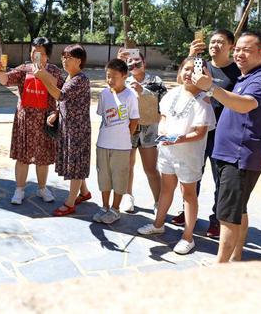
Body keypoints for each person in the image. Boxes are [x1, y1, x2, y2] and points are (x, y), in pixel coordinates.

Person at [192, 31, 261, 263]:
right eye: (238, 49)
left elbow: (245, 105)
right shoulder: (244, 78)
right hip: (229, 155)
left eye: (246, 50)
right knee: (238, 210)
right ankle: (236, 258)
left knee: (227, 216)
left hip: (238, 157)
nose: (239, 54)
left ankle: (221, 268)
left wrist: (212, 88)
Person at [138, 57, 216, 254]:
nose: (189, 73)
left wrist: (177, 139)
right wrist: (164, 132)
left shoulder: (204, 100)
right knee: (166, 189)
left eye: (194, 70)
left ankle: (188, 237)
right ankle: (158, 224)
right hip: (167, 151)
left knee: (188, 194)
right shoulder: (172, 94)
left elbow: (199, 132)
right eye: (186, 69)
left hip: (188, 155)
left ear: (204, 75)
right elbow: (163, 118)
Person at [171, 29, 241, 238]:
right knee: (192, 174)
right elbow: (181, 83)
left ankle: (217, 220)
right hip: (198, 130)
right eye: (212, 42)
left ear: (231, 46)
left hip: (223, 133)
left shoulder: (236, 71)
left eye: (220, 42)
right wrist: (191, 56)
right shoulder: (201, 65)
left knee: (221, 179)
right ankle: (188, 211)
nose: (214, 45)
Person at [0, 37, 64, 205]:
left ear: (47, 55)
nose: (35, 55)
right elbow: (5, 80)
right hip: (25, 120)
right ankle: (19, 189)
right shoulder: (24, 69)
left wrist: (42, 74)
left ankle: (42, 188)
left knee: (43, 157)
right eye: (33, 51)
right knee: (23, 157)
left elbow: (60, 90)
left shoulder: (53, 70)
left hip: (45, 120)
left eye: (39, 52)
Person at [34, 44, 91, 216]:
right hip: (69, 127)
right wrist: (57, 112)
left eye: (69, 57)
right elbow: (65, 100)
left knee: (76, 165)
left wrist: (43, 77)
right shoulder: (70, 77)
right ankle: (84, 193)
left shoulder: (80, 79)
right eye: (63, 56)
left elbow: (61, 95)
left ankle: (70, 203)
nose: (64, 60)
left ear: (79, 61)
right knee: (75, 163)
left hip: (78, 130)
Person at [117, 49, 165, 213]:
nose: (134, 65)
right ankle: (127, 196)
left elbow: (162, 100)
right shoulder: (124, 80)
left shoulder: (155, 80)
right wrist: (118, 63)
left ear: (145, 63)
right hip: (128, 128)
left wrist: (142, 91)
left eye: (138, 62)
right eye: (130, 63)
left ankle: (159, 202)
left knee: (151, 168)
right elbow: (113, 91)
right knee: (127, 166)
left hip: (149, 129)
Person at [93, 59, 139, 224]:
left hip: (122, 146)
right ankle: (104, 206)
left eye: (114, 76)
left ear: (125, 76)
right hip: (103, 143)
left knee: (119, 177)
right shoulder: (104, 94)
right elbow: (102, 115)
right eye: (108, 76)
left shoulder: (130, 96)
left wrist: (125, 136)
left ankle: (115, 208)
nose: (110, 80)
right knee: (103, 176)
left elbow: (134, 121)